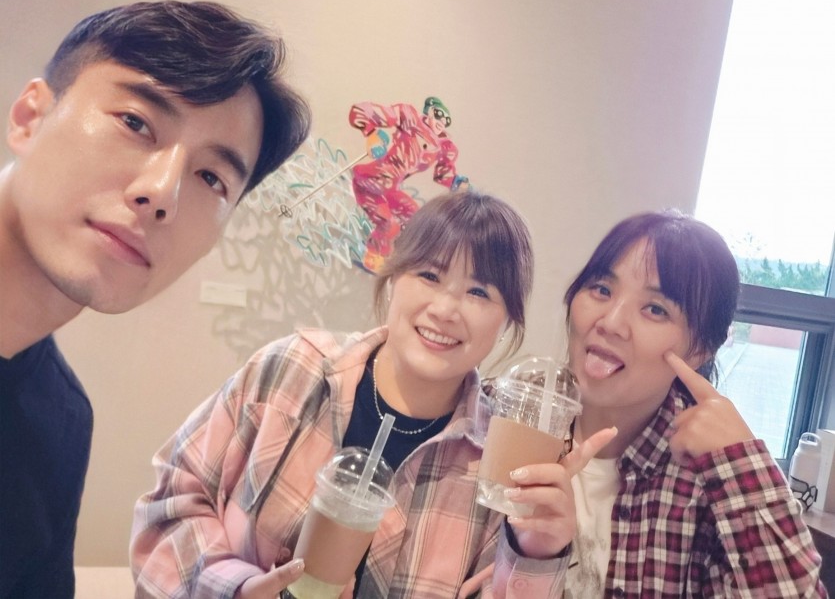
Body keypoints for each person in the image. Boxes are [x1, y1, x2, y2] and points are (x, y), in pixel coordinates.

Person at [130, 191, 614, 598]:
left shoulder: (496, 463)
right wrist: (236, 589)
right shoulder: (291, 372)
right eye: (429, 275)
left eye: (479, 293)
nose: (446, 309)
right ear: (394, 275)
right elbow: (171, 504)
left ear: (507, 320)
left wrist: (536, 551)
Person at [0, 0, 310, 599]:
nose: (162, 192)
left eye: (211, 178)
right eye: (136, 123)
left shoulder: (58, 423)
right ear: (30, 116)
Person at [555, 210, 826, 596]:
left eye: (655, 309)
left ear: (700, 349)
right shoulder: (511, 413)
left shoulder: (710, 481)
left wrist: (740, 466)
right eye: (601, 289)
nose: (611, 322)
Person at [349, 97, 469, 273]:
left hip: (391, 189)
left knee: (417, 221)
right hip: (372, 180)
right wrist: (372, 134)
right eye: (438, 114)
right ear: (428, 111)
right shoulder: (410, 118)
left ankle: (403, 260)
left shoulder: (442, 145)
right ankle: (374, 258)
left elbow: (443, 173)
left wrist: (457, 183)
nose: (442, 122)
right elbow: (362, 111)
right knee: (389, 224)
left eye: (446, 120)